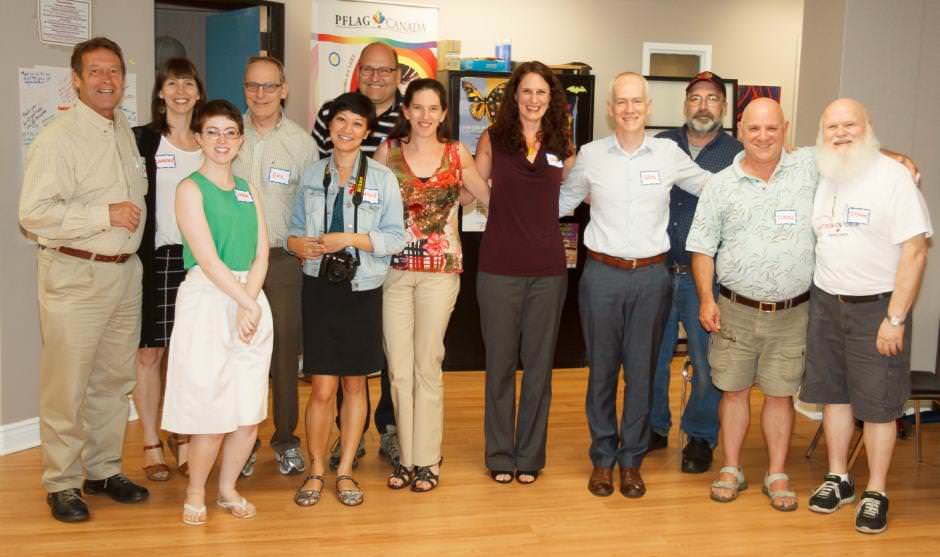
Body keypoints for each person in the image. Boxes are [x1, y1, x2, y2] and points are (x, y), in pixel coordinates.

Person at [559, 72, 711, 499]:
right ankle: (603, 459)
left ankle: (632, 461)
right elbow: (559, 203)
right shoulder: (591, 155)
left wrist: (770, 169)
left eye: (636, 102)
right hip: (602, 277)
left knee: (642, 373)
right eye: (621, 102)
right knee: (603, 373)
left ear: (648, 108)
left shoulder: (668, 153)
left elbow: (711, 187)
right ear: (611, 109)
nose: (629, 109)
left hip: (651, 277)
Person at [19, 36, 150, 523]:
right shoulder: (58, 137)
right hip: (75, 273)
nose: (106, 80)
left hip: (123, 275)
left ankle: (102, 469)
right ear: (75, 79)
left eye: (114, 71)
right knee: (66, 386)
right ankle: (62, 482)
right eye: (95, 71)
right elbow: (33, 214)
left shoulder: (121, 131)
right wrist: (104, 213)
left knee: (113, 383)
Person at [800, 98, 931, 534]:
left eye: (849, 124)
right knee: (834, 396)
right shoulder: (824, 171)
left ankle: (876, 490)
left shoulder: (893, 178)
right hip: (826, 304)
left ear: (868, 126)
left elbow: (916, 250)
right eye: (831, 125)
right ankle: (838, 477)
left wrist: (895, 318)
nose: (840, 132)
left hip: (877, 309)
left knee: (877, 406)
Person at [687, 98, 817, 512]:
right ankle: (732, 468)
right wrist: (707, 299)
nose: (763, 137)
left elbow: (853, 150)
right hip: (735, 310)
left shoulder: (809, 170)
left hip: (793, 312)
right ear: (740, 130)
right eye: (755, 129)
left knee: (780, 395)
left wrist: (899, 160)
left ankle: (777, 473)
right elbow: (702, 249)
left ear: (786, 128)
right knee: (734, 391)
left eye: (772, 129)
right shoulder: (720, 185)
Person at [288, 92, 405, 507]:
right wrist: (301, 244)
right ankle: (316, 470)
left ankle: (346, 471)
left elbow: (395, 237)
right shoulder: (310, 174)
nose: (347, 130)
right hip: (319, 287)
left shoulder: (381, 178)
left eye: (357, 123)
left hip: (362, 288)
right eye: (341, 121)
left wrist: (350, 240)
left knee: (355, 384)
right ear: (330, 126)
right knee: (321, 387)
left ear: (367, 132)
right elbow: (293, 230)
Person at [374, 78, 490, 492]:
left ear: (443, 114)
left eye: (432, 109)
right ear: (405, 111)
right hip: (394, 272)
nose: (424, 116)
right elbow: (367, 203)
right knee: (398, 369)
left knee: (427, 365)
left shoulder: (457, 153)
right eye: (417, 108)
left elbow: (486, 194)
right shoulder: (388, 152)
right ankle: (405, 456)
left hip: (441, 271)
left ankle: (428, 459)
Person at [161, 99, 273, 526]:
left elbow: (261, 252)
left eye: (230, 132)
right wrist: (245, 302)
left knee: (247, 408)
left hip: (251, 298)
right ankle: (195, 492)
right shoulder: (189, 189)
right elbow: (207, 259)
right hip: (211, 299)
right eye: (213, 132)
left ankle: (227, 489)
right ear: (198, 138)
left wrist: (251, 302)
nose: (222, 141)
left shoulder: (248, 188)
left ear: (241, 139)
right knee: (210, 405)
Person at [474, 61, 575, 485]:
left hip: (548, 270)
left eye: (542, 93)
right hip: (498, 268)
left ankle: (530, 455)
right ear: (514, 96)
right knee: (499, 366)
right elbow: (469, 191)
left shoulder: (563, 144)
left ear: (552, 100)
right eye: (526, 91)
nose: (533, 100)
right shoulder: (493, 139)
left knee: (538, 368)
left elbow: (571, 194)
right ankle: (500, 454)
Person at [312, 41, 402, 469]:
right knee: (340, 361)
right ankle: (348, 438)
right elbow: (321, 176)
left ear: (398, 74)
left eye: (385, 71)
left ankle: (386, 429)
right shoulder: (330, 116)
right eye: (369, 69)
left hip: (388, 252)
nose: (376, 77)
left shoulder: (408, 117)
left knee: (381, 354)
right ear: (359, 71)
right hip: (337, 260)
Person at [648, 71, 742, 473]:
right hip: (656, 269)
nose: (702, 105)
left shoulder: (738, 153)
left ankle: (701, 437)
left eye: (711, 98)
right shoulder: (659, 146)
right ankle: (652, 428)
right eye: (695, 98)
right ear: (685, 104)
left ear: (723, 107)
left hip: (708, 278)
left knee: (707, 363)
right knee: (650, 356)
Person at [233, 55, 317, 478]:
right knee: (238, 352)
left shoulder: (302, 144)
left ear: (284, 89)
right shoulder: (228, 136)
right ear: (244, 88)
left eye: (269, 86)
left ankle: (285, 439)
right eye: (253, 86)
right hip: (235, 264)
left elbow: (312, 207)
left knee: (284, 354)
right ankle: (240, 442)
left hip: (283, 261)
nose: (260, 95)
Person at [132, 57, 205, 482]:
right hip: (155, 258)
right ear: (160, 92)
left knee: (189, 354)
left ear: (198, 92)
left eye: (188, 83)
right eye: (172, 83)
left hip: (199, 261)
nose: (180, 91)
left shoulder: (209, 138)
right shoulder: (142, 140)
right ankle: (150, 442)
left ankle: (184, 436)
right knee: (150, 352)